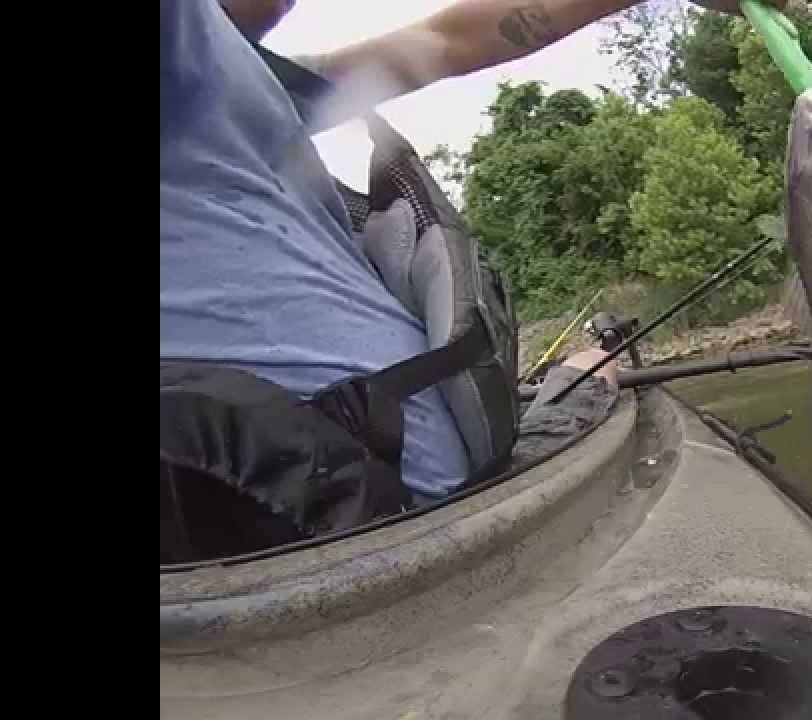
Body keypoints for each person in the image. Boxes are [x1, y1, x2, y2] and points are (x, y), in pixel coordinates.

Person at [160, 0, 772, 507]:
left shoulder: (255, 77)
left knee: (591, 362)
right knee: (594, 367)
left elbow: (445, 40)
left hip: (448, 488)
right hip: (352, 523)